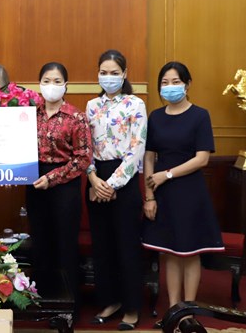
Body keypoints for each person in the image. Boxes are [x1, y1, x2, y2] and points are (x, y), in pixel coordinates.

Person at [142, 61, 224, 324]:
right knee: (169, 253)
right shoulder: (155, 117)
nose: (170, 87)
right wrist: (149, 196)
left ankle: (189, 314)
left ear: (187, 85)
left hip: (189, 192)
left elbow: (202, 159)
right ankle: (173, 311)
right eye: (165, 83)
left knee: (189, 253)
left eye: (175, 82)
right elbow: (149, 156)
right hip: (161, 192)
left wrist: (167, 175)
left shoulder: (200, 115)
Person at [85, 50, 147, 330]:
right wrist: (93, 179)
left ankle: (132, 307)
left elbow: (137, 149)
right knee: (102, 246)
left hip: (125, 179)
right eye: (103, 73)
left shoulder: (135, 104)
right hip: (96, 179)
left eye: (114, 73)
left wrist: (111, 185)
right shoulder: (91, 105)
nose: (108, 77)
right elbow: (86, 147)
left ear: (124, 74)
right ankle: (110, 301)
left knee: (126, 245)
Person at [28, 62, 91, 317]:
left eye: (56, 81)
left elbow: (83, 158)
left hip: (65, 185)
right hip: (34, 182)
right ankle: (43, 303)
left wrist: (52, 178)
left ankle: (68, 307)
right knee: (40, 243)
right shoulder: (30, 114)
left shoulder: (76, 117)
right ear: (39, 84)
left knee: (65, 244)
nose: (51, 86)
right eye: (46, 81)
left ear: (66, 85)